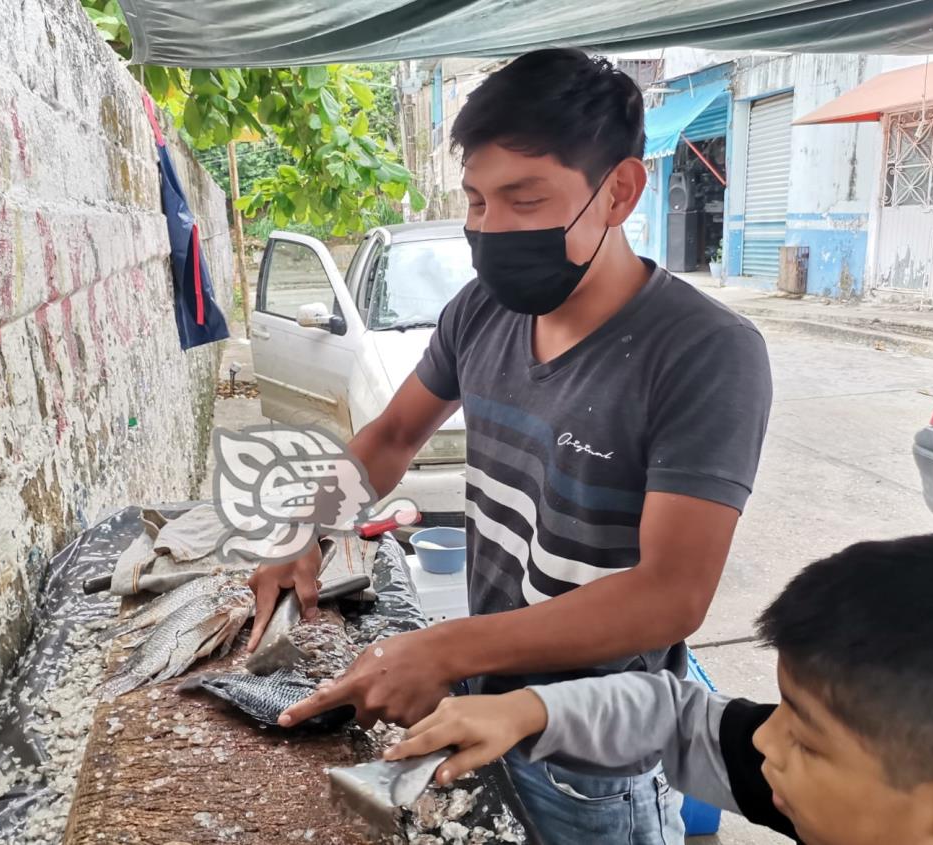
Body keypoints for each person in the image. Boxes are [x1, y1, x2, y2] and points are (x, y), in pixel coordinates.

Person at [250, 48, 773, 843]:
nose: (489, 229)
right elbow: (391, 437)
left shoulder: (704, 351)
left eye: (523, 199)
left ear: (620, 190)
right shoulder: (479, 312)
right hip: (477, 710)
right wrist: (304, 527)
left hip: (594, 754)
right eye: (475, 201)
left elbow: (670, 593)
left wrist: (443, 646)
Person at [384, 531, 933, 845]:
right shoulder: (883, 798)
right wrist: (526, 708)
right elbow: (675, 717)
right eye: (783, 709)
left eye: (808, 742)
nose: (767, 741)